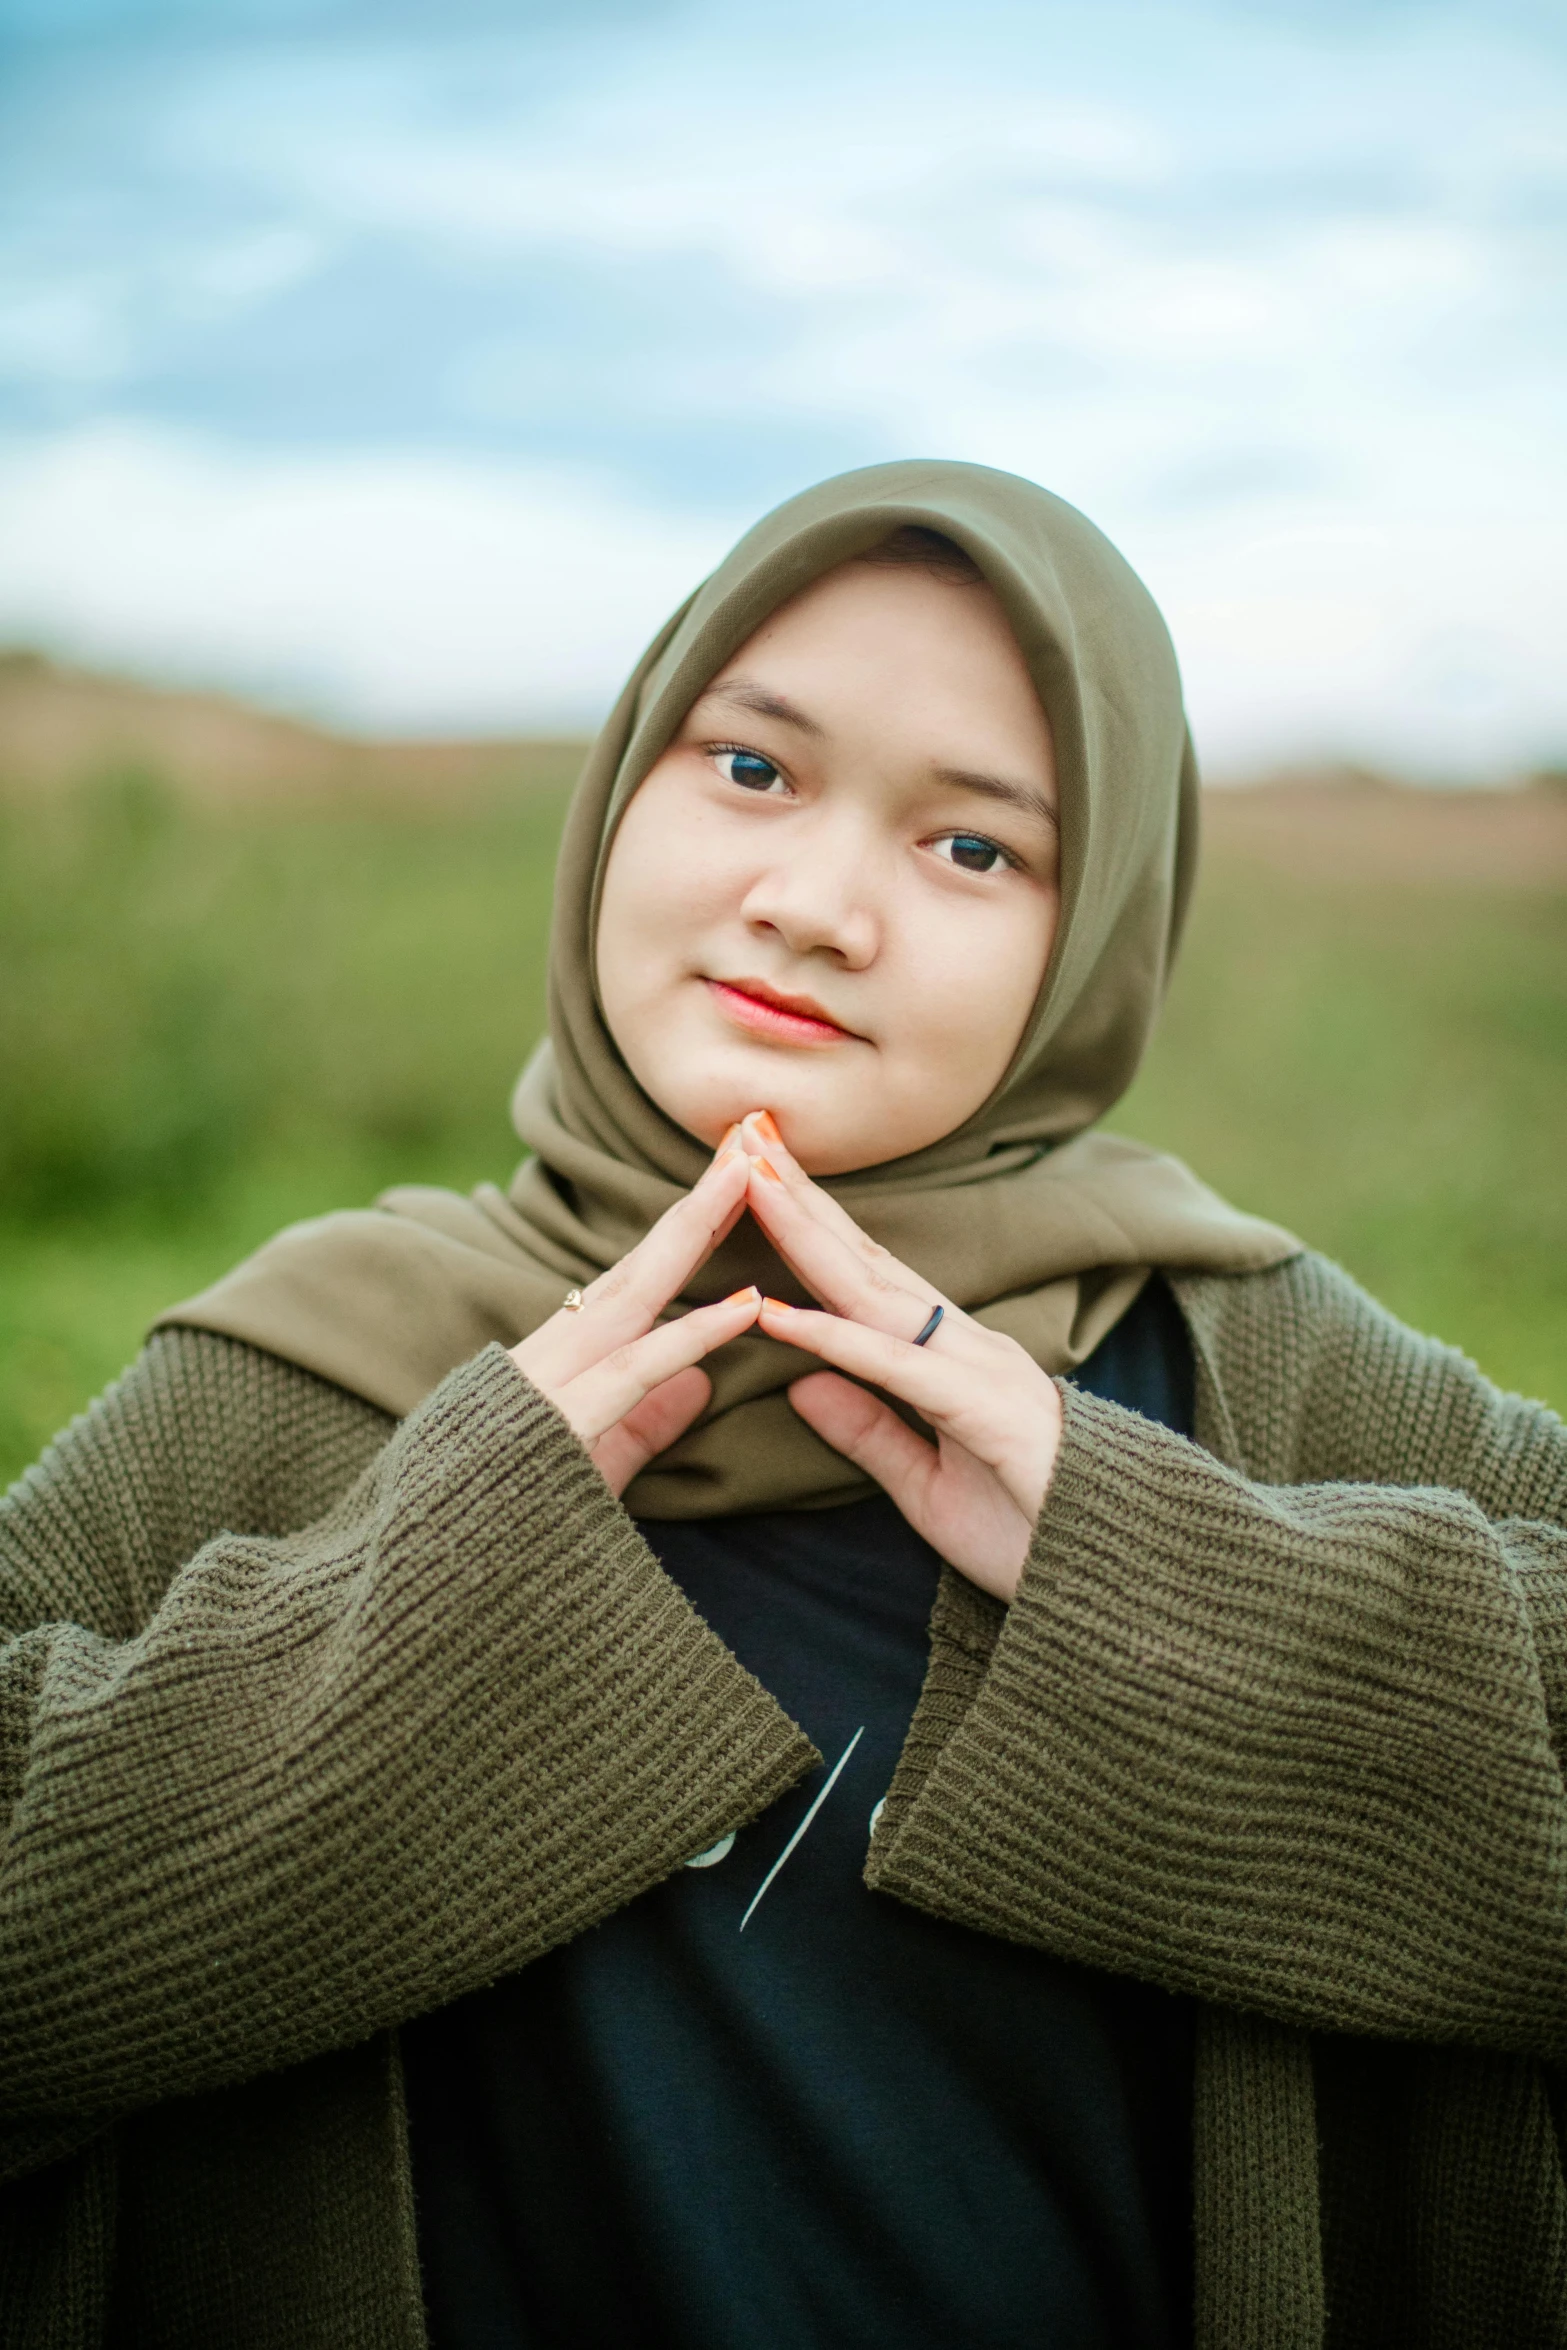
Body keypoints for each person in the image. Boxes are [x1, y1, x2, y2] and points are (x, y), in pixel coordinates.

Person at [1, 461, 1563, 2350]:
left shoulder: (1236, 1354)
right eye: (751, 767)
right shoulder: (309, 1367)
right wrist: (403, 1639)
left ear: (1099, 943)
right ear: (622, 786)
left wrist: (1167, 1578)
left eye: (972, 846)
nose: (814, 905)